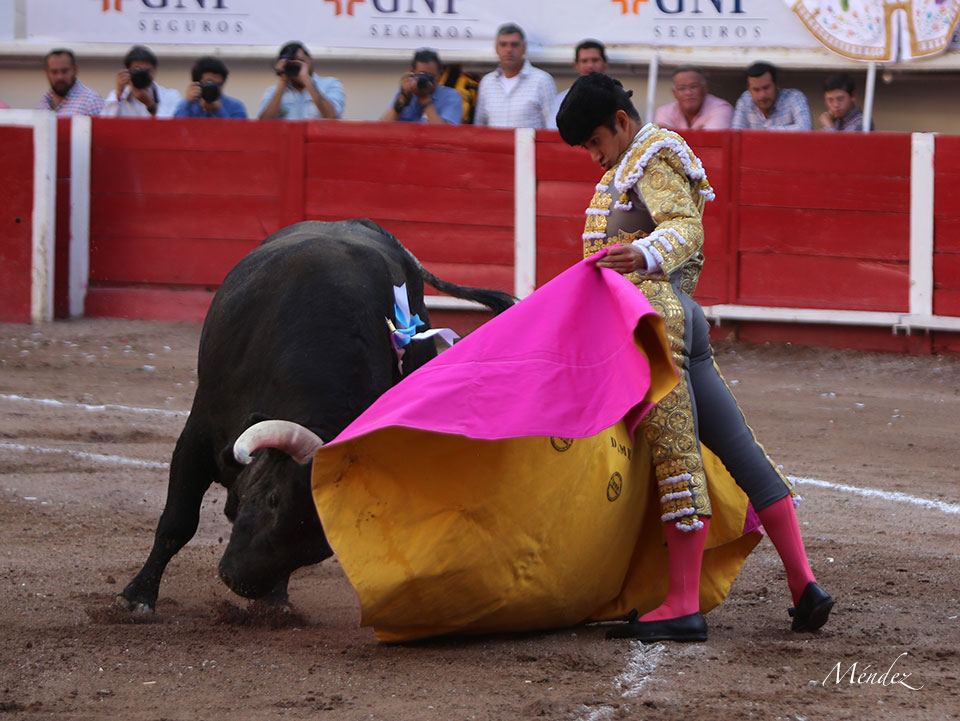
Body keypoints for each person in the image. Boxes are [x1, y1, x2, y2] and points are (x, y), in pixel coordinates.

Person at [556, 73, 833, 642]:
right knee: (739, 451)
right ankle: (804, 584)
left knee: (677, 453)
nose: (592, 156)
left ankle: (683, 603)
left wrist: (646, 251)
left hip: (660, 327)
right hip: (675, 321)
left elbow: (687, 227)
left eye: (594, 142)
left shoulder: (651, 156)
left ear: (620, 122)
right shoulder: (624, 167)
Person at [474, 23, 557, 129]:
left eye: (514, 44)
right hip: (494, 145)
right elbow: (480, 126)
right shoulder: (487, 82)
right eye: (503, 44)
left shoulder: (542, 80)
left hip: (529, 145)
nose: (509, 50)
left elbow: (552, 126)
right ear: (496, 48)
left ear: (524, 47)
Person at [258, 41, 345, 120]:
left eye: (300, 61)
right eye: (292, 64)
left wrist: (308, 81)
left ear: (310, 60)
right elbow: (264, 123)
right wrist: (283, 81)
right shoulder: (274, 91)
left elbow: (332, 116)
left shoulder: (330, 84)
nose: (297, 66)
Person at [380, 48, 462, 125]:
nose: (427, 81)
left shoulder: (451, 96)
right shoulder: (406, 91)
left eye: (431, 77)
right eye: (422, 75)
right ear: (412, 71)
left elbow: (445, 133)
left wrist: (425, 100)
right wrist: (403, 97)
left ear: (440, 74)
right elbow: (383, 126)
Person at [102, 45, 180, 118]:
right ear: (127, 71)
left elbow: (171, 127)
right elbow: (105, 123)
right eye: (137, 70)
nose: (142, 75)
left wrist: (150, 105)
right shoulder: (117, 97)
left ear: (155, 71)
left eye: (147, 71)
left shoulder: (170, 96)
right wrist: (119, 94)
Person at [547, 39, 609, 130]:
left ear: (605, 63)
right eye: (584, 61)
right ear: (576, 65)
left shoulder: (619, 95)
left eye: (595, 60)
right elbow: (553, 129)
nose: (590, 66)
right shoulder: (563, 99)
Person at [731, 61, 811, 131]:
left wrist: (768, 131)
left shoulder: (794, 97)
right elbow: (736, 134)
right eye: (756, 89)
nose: (762, 95)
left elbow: (805, 129)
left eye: (766, 88)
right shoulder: (745, 100)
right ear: (749, 90)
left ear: (776, 84)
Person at [654, 66, 733, 131]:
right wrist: (697, 133)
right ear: (674, 93)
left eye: (694, 87)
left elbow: (710, 139)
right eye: (682, 88)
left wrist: (673, 133)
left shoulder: (722, 108)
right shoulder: (664, 111)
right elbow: (662, 141)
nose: (688, 93)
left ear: (705, 88)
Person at [35, 48, 104, 117]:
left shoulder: (91, 102)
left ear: (75, 70)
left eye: (65, 71)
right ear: (47, 73)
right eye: (54, 72)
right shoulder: (44, 102)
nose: (60, 77)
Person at [173, 56, 247, 119]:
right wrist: (188, 103)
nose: (214, 88)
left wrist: (219, 111)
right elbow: (178, 130)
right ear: (197, 84)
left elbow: (237, 133)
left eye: (219, 84)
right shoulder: (188, 106)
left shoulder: (235, 106)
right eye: (209, 83)